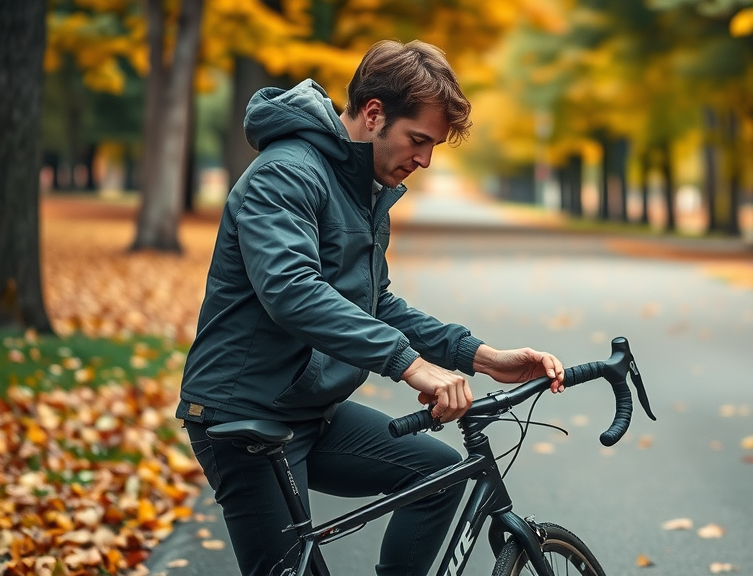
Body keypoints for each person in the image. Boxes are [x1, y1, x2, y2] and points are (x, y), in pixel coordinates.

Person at [177, 39, 565, 576]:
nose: (425, 160)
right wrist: (412, 366)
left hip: (310, 410)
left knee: (440, 475)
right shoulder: (287, 173)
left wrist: (482, 356)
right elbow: (292, 290)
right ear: (375, 114)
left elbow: (376, 301)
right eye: (419, 140)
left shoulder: (361, 185)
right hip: (246, 414)